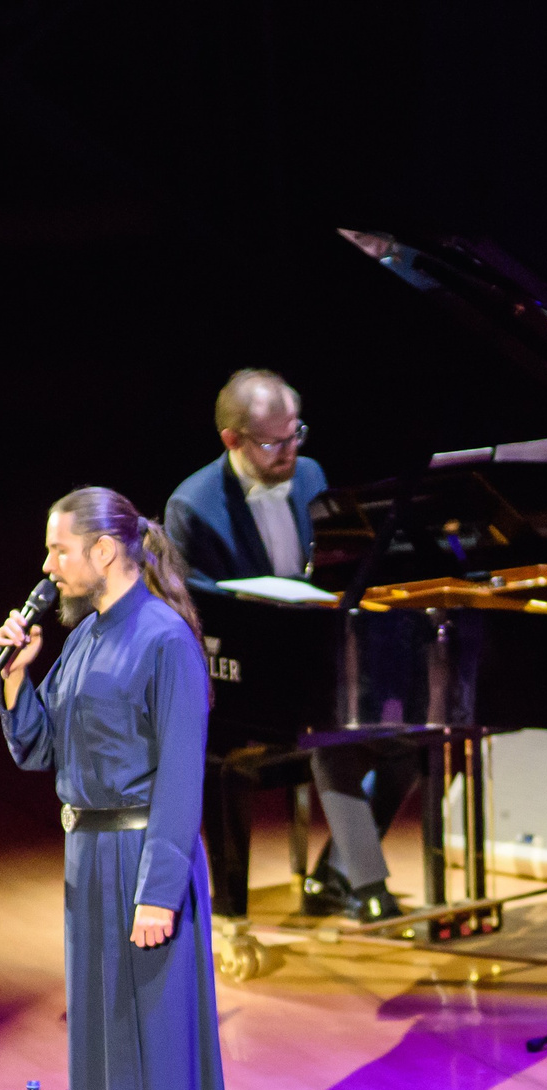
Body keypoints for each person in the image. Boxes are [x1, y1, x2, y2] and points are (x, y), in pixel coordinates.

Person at [0, 485, 262, 1090]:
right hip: (86, 859)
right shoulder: (85, 635)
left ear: (110, 550)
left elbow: (183, 772)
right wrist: (20, 675)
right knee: (106, 1053)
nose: (48, 569)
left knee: (162, 1050)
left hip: (143, 860)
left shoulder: (163, 641)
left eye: (60, 552)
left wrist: (159, 889)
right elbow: (37, 754)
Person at [165, 367, 416, 924]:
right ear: (232, 440)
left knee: (410, 740)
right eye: (275, 442)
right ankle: (370, 885)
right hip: (247, 678)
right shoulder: (193, 505)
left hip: (313, 653)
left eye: (296, 433)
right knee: (329, 732)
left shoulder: (310, 474)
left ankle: (335, 874)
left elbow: (334, 558)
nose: (291, 451)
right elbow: (185, 603)